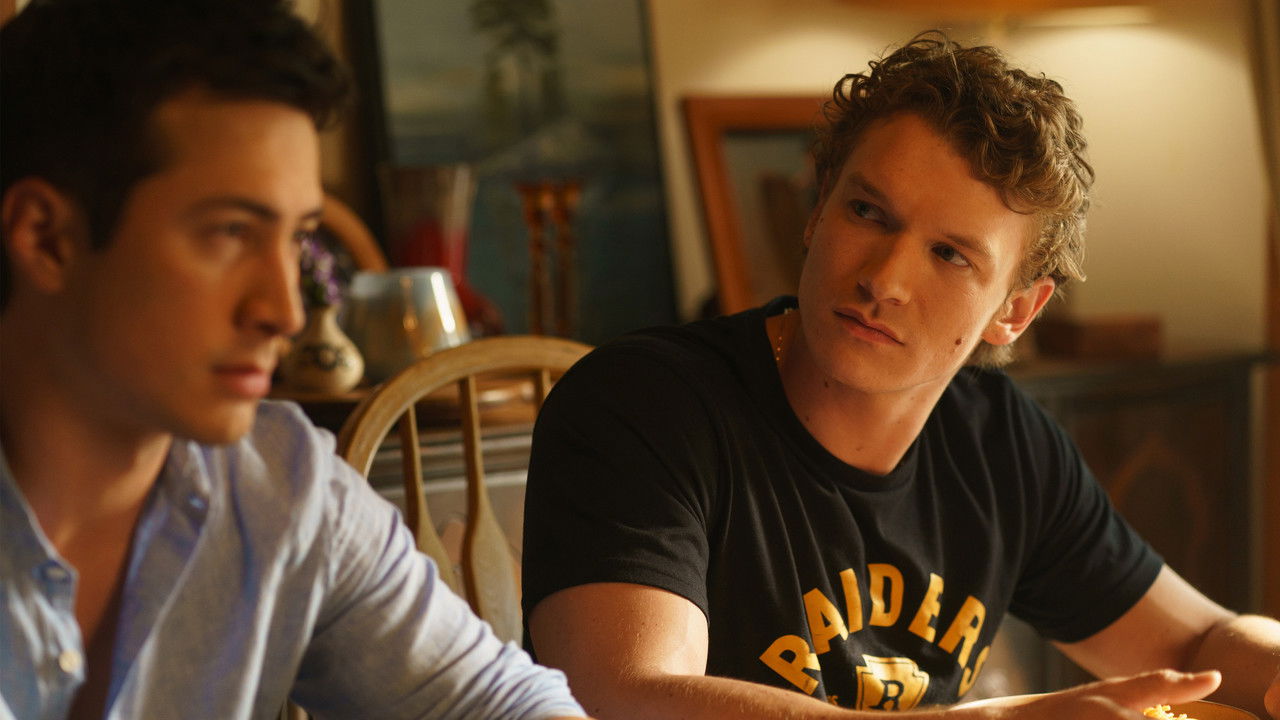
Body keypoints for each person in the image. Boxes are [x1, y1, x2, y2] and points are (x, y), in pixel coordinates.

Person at [520, 31, 1280, 719]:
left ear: (1014, 311)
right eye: (868, 213)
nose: (884, 278)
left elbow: (1198, 643)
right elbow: (625, 696)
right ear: (818, 209)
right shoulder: (641, 404)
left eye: (950, 254)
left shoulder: (1001, 443)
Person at [0, 1, 588, 719]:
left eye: (296, 239)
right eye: (230, 232)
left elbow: (498, 701)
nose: (285, 310)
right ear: (46, 238)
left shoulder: (283, 487)